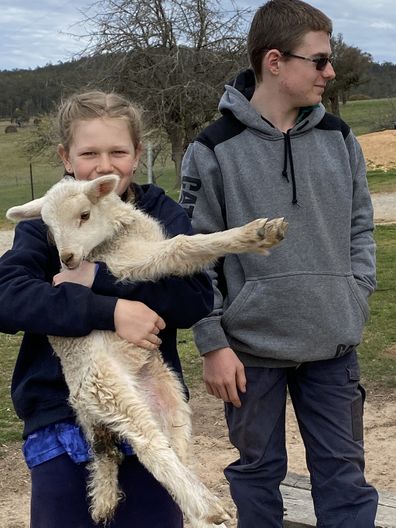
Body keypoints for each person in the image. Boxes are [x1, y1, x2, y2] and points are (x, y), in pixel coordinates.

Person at [179, 1, 378, 526]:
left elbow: (361, 226)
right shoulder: (213, 148)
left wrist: (355, 294)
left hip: (332, 341)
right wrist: (213, 342)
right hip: (249, 353)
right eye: (318, 60)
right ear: (274, 61)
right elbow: (197, 252)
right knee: (257, 475)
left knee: (344, 477)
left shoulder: (341, 138)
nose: (329, 72)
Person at [0, 90, 213, 528]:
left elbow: (194, 297)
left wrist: (100, 280)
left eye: (118, 151)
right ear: (66, 157)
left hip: (147, 406)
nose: (104, 165)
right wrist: (109, 311)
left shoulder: (159, 214)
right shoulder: (47, 222)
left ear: (137, 154)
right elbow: (9, 297)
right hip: (60, 415)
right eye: (89, 152)